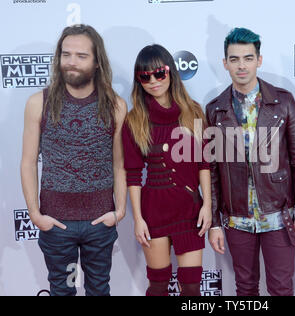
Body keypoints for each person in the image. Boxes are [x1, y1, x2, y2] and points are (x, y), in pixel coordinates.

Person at [20, 24, 128, 296]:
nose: (71, 62)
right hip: (57, 225)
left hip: (99, 224)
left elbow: (119, 164)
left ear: (96, 62)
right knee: (63, 291)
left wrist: (120, 210)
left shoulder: (115, 105)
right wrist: (35, 214)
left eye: (81, 56)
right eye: (66, 54)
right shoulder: (38, 103)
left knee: (98, 291)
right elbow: (28, 162)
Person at [206, 27, 295, 296]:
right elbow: (212, 173)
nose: (241, 66)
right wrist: (215, 223)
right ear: (225, 63)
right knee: (245, 289)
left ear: (259, 60)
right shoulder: (214, 110)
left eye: (248, 58)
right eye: (234, 59)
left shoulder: (284, 102)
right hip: (236, 218)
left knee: (281, 287)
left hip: (278, 215)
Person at [122, 44, 212, 296]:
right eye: (145, 76)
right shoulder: (135, 120)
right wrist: (138, 219)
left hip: (189, 209)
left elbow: (204, 163)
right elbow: (133, 174)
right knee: (159, 285)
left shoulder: (193, 111)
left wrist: (207, 206)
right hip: (155, 212)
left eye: (159, 73)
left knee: (192, 288)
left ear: (170, 72)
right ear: (139, 80)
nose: (153, 81)